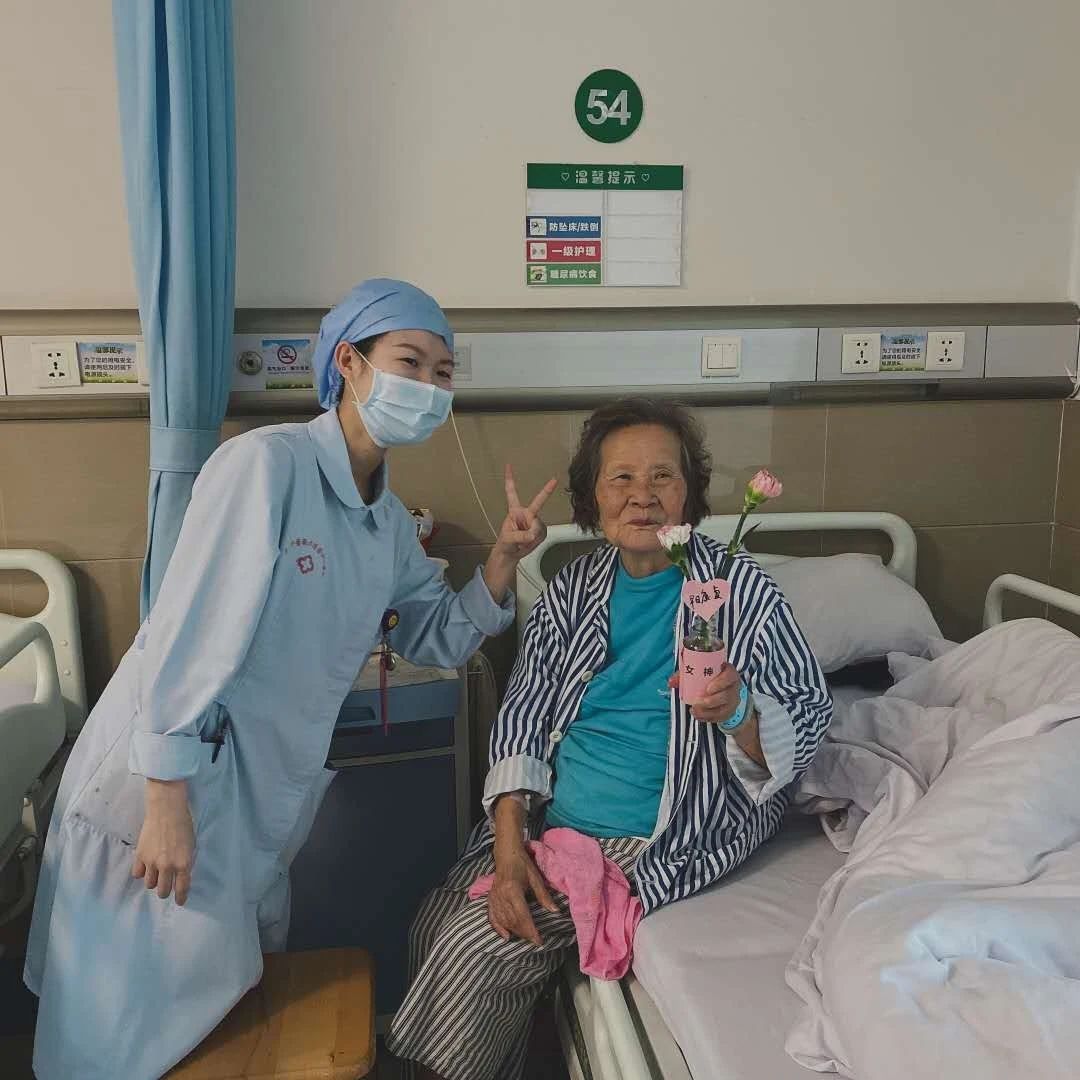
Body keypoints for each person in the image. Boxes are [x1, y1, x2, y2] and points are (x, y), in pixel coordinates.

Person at [24, 279, 556, 1080]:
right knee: (114, 1033)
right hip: (171, 783)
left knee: (215, 1020)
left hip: (254, 794)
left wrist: (503, 563)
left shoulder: (385, 520)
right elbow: (189, 632)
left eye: (444, 371)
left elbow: (439, 634)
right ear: (349, 363)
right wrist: (166, 799)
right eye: (410, 361)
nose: (428, 385)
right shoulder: (265, 467)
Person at [387, 398, 833, 1080]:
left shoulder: (739, 590)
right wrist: (509, 843)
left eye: (663, 476)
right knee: (433, 920)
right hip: (551, 820)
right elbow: (524, 712)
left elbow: (806, 717)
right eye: (621, 477)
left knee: (482, 945)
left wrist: (740, 710)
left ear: (690, 493)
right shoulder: (573, 590)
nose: (642, 495)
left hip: (659, 831)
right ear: (593, 497)